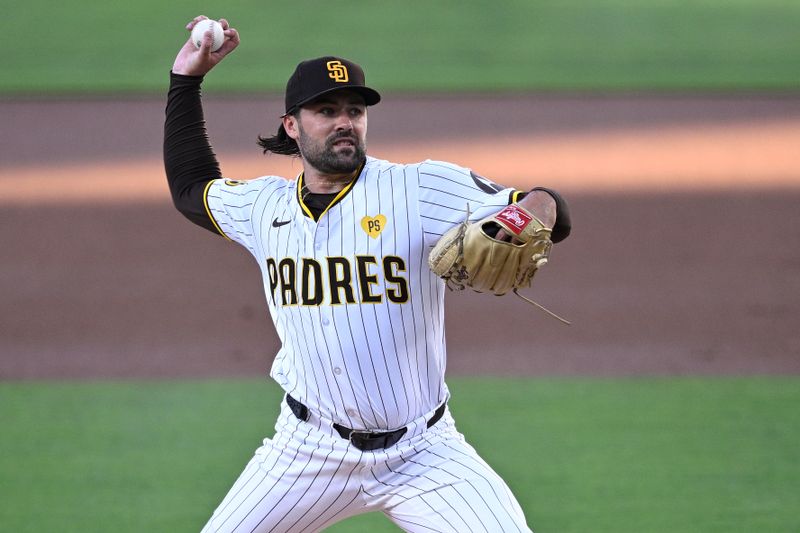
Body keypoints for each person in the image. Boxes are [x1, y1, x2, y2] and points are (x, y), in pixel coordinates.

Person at [164, 15, 571, 533]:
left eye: (354, 111)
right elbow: (190, 190)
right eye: (326, 110)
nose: (344, 122)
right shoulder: (263, 207)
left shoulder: (419, 188)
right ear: (292, 125)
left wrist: (534, 207)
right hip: (305, 451)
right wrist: (186, 78)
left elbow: (544, 205)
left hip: (423, 454)